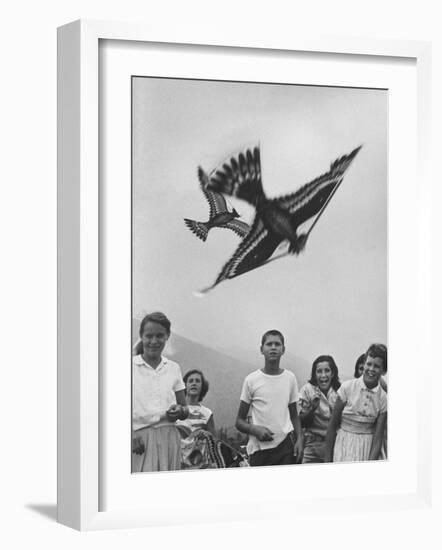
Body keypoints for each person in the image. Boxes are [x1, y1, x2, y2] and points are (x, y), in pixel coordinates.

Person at [235, 329, 304, 467]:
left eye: (277, 344)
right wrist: (255, 430)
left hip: (285, 447)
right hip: (260, 450)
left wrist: (300, 439)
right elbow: (239, 421)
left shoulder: (290, 378)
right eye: (269, 344)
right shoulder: (251, 380)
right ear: (262, 349)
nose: (273, 347)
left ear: (283, 349)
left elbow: (294, 416)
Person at [132, 312, 189, 472]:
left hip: (169, 438)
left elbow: (185, 409)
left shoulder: (173, 368)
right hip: (139, 440)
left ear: (167, 336)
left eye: (160, 336)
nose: (154, 341)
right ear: (141, 336)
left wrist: (179, 411)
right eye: (149, 336)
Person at [324, 343, 387, 463]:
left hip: (366, 448)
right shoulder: (347, 388)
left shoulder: (383, 398)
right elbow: (332, 426)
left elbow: (378, 438)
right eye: (369, 364)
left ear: (384, 371)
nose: (371, 369)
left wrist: (371, 464)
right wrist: (327, 461)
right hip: (343, 444)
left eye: (377, 366)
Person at [299, 355, 340, 463]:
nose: (323, 375)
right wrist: (312, 408)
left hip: (335, 445)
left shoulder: (340, 391)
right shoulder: (307, 390)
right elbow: (301, 421)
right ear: (314, 374)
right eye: (319, 371)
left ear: (333, 373)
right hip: (312, 445)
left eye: (327, 371)